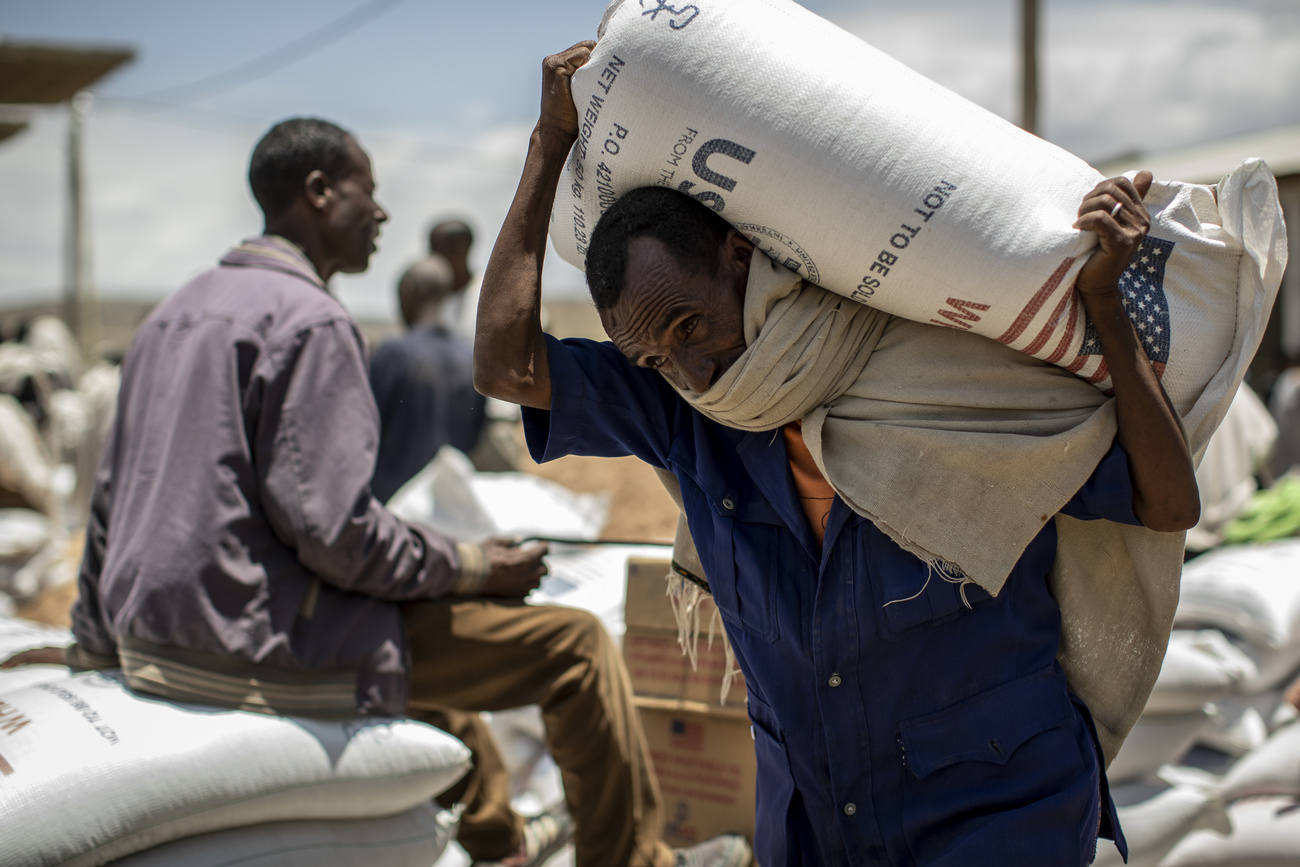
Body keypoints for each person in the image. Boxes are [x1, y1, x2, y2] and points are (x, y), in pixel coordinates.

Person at [473, 43, 1201, 866]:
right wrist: (548, 144)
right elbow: (506, 365)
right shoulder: (685, 413)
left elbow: (1167, 504)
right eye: (654, 360)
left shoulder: (933, 362)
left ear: (738, 257)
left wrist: (1104, 301)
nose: (692, 371)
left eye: (689, 327)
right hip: (816, 823)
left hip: (998, 812)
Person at [0, 117, 748, 867]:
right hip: (255, 640)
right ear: (320, 194)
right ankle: (637, 861)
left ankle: (496, 840)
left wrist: (96, 650)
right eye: (370, 191)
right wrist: (475, 566)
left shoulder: (170, 314)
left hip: (151, 634)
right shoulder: (312, 321)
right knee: (573, 646)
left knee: (418, 648)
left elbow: (107, 503)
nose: (383, 214)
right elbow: (334, 532)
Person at [369, 254, 487, 502]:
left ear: (408, 291)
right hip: (447, 506)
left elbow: (367, 428)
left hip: (395, 504)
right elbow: (474, 436)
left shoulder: (394, 353)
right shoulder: (470, 358)